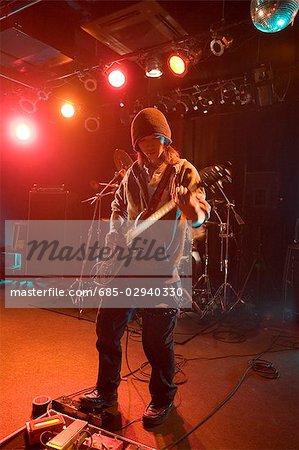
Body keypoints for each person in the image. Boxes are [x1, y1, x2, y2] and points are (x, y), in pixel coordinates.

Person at [81, 108, 211, 427]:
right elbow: (118, 206)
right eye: (143, 140)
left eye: (156, 138)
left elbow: (201, 214)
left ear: (166, 139)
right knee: (107, 328)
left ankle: (163, 398)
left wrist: (190, 207)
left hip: (163, 270)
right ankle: (106, 391)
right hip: (126, 266)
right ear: (136, 145)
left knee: (156, 342)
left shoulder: (183, 171)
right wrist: (115, 234)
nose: (150, 145)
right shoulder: (131, 174)